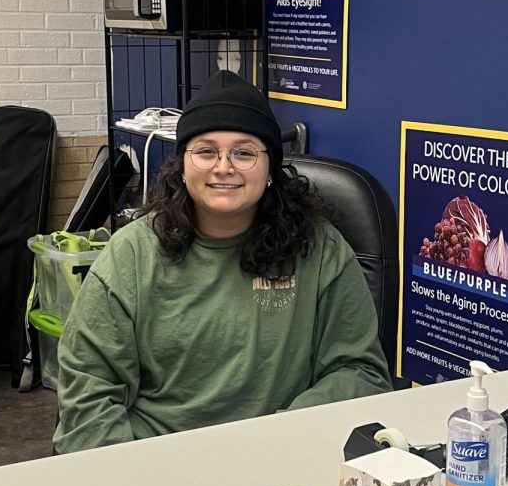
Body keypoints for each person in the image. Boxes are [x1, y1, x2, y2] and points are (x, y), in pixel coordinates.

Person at [53, 70, 393, 453]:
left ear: (270, 170)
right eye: (205, 151)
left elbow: (360, 372)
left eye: (244, 152)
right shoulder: (131, 253)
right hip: (157, 460)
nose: (224, 166)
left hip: (279, 459)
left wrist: (284, 435)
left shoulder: (317, 248)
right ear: (182, 165)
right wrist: (130, 477)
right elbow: (89, 390)